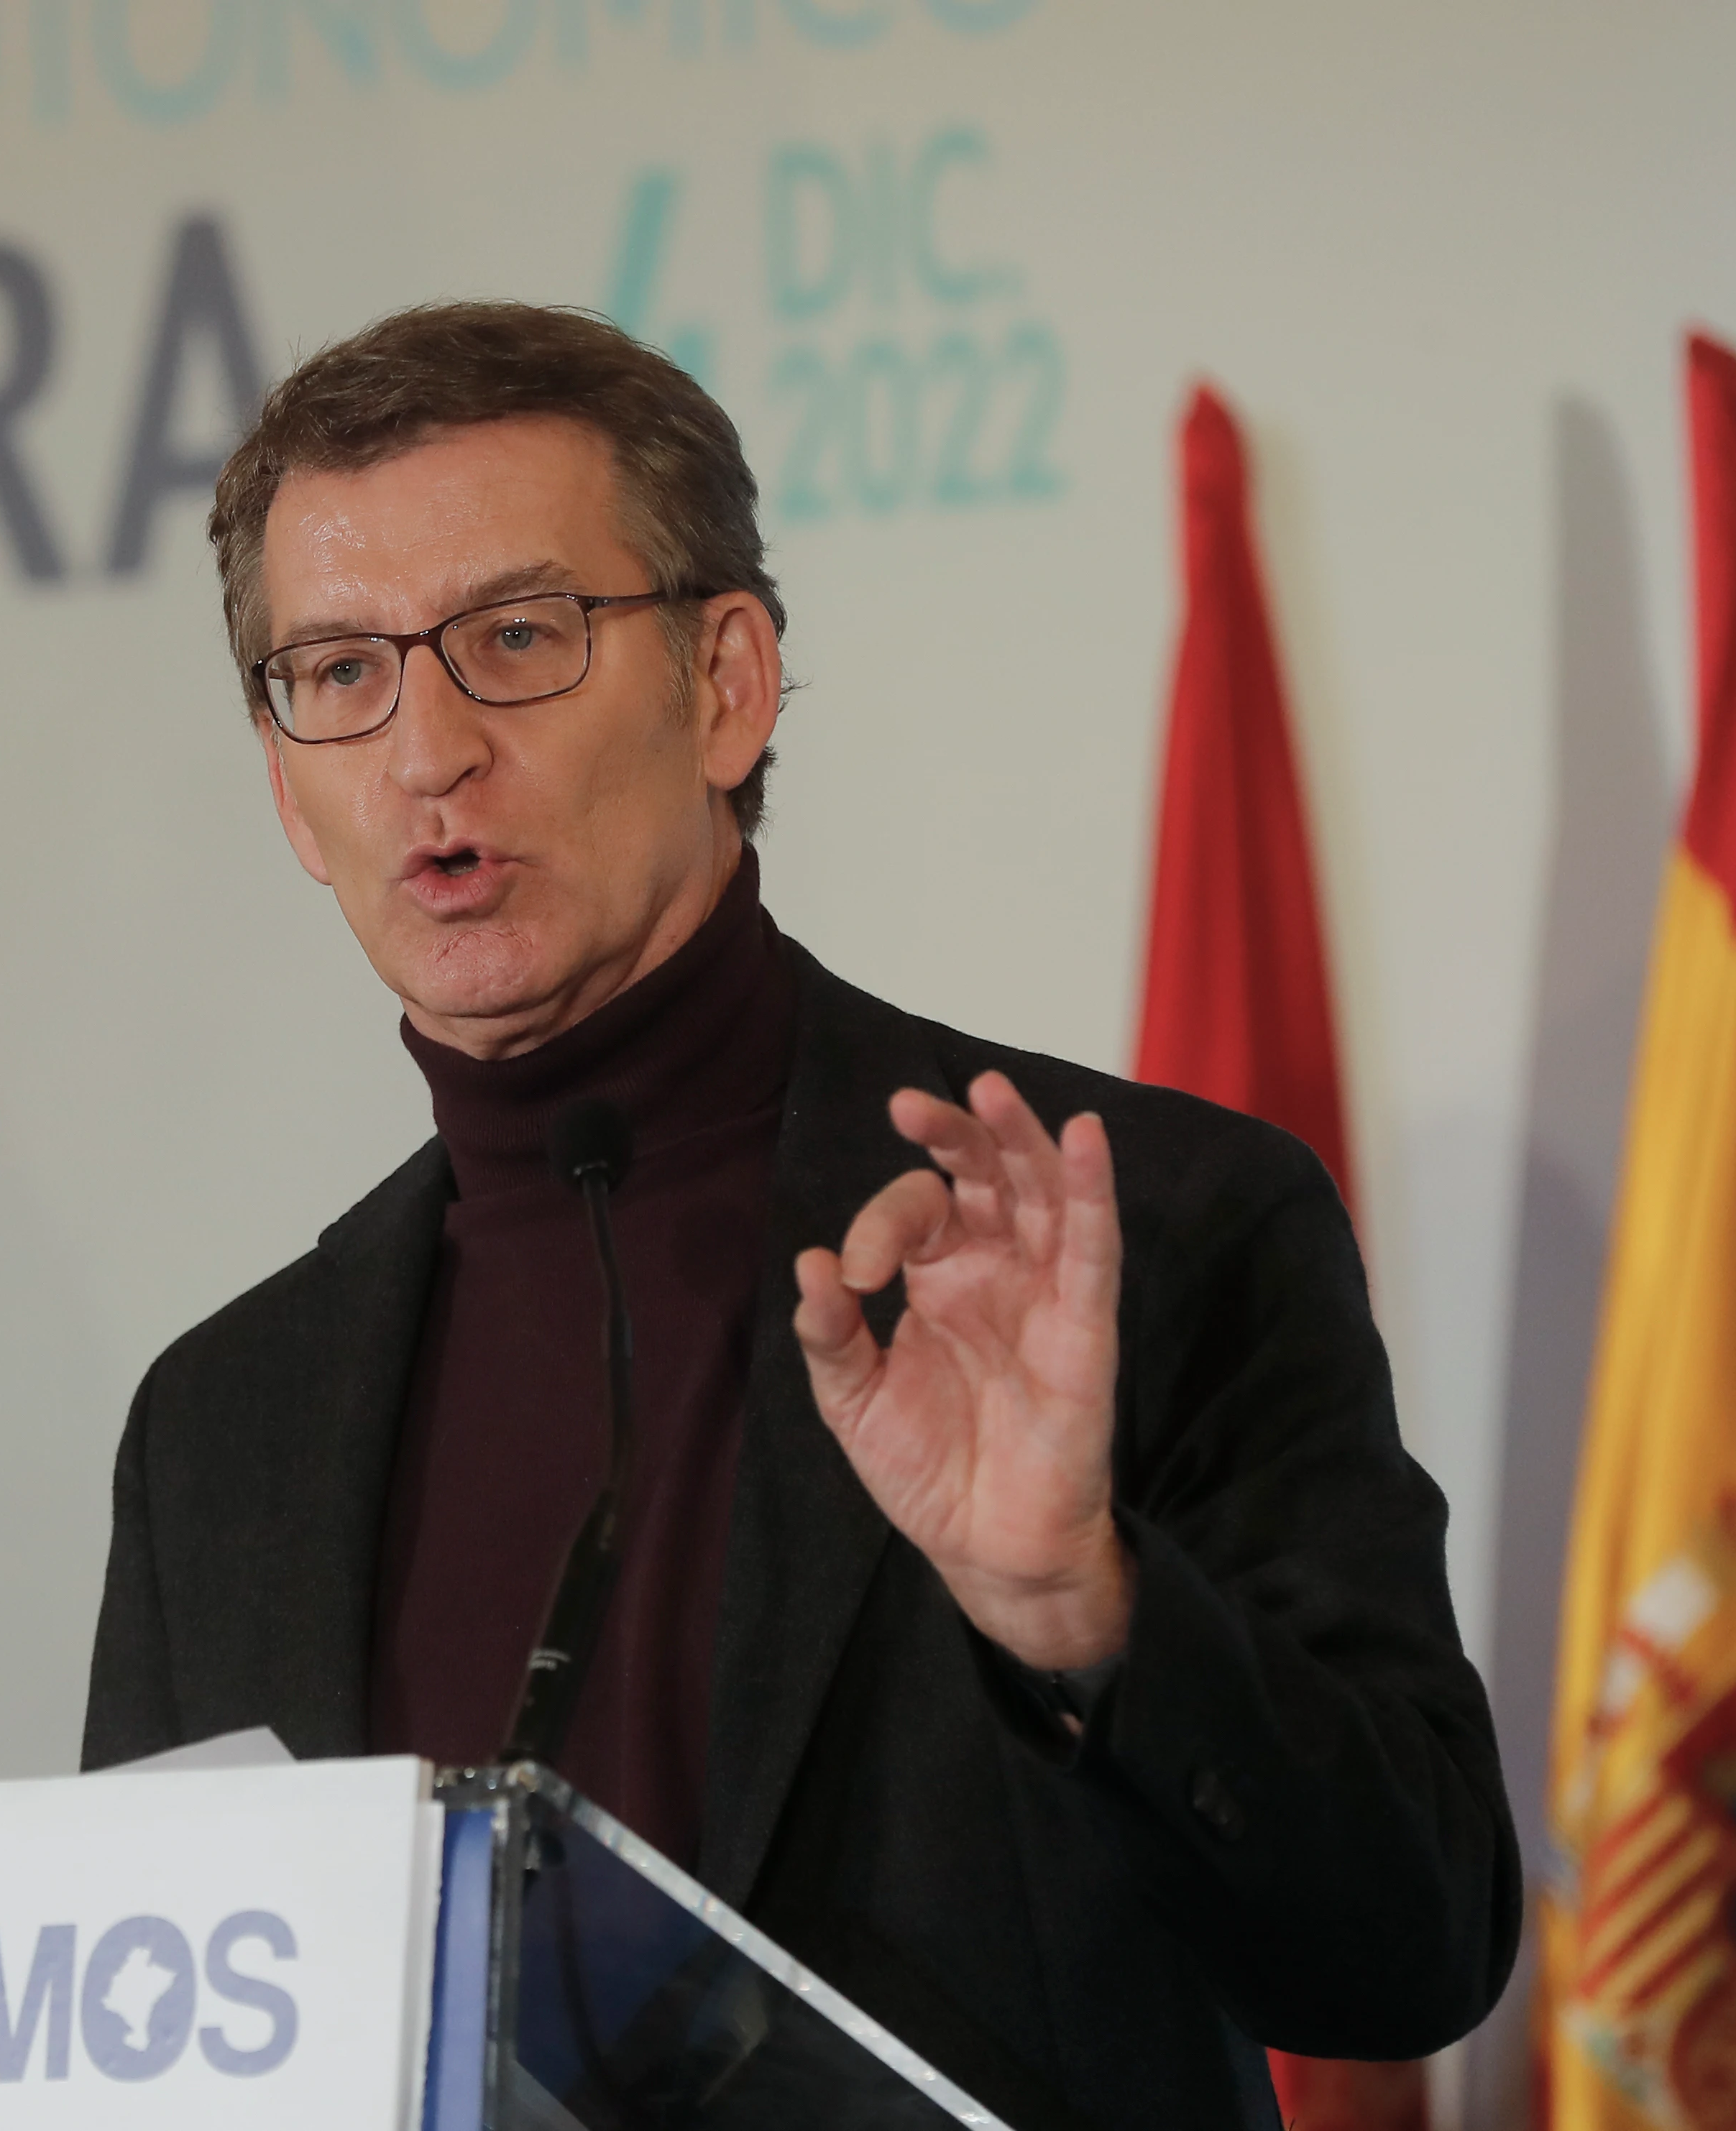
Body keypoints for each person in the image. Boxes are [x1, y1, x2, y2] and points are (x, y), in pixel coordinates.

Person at [79, 303, 1518, 2130]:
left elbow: (1405, 1952)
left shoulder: (1131, 1231)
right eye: (340, 671)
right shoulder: (221, 1430)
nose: (425, 749)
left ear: (726, 682)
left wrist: (1079, 1609)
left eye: (515, 638)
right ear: (289, 785)